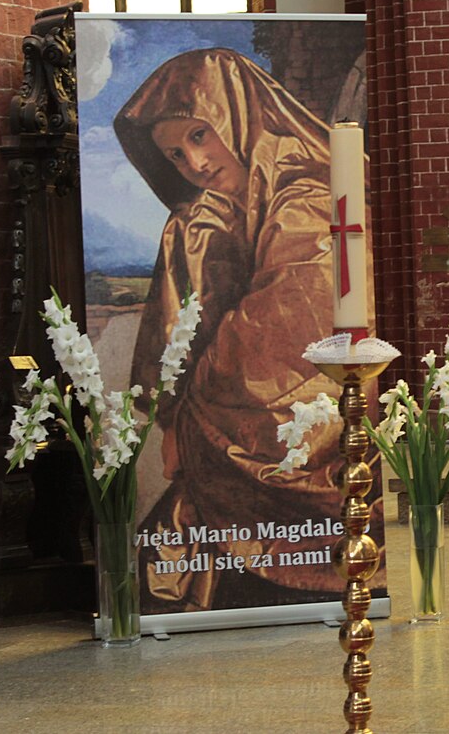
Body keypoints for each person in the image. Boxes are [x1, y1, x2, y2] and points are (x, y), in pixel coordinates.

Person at [114, 48, 379, 611]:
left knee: (177, 547)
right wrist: (172, 420)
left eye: (200, 136)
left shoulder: (306, 193)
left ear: (236, 114)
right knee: (171, 552)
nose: (193, 161)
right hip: (214, 434)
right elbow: (178, 323)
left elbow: (289, 321)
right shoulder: (200, 218)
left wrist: (191, 415)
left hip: (304, 420)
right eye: (175, 154)